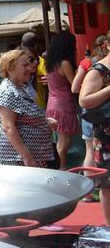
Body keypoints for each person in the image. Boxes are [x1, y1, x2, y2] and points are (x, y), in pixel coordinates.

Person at [0, 49, 54, 168]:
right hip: (18, 160)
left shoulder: (22, 87)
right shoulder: (7, 92)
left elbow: (24, 118)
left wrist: (44, 122)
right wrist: (26, 156)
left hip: (32, 157)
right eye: (25, 65)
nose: (30, 68)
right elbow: (8, 127)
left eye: (29, 64)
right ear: (10, 68)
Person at [45, 31, 79, 169]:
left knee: (62, 141)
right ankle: (63, 170)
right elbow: (74, 85)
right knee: (63, 143)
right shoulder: (64, 63)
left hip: (52, 103)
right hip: (64, 105)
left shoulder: (51, 63)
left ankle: (62, 168)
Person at [73, 35, 107, 169]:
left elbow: (74, 88)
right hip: (103, 114)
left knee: (90, 150)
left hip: (91, 113)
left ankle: (89, 186)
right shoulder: (104, 64)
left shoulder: (87, 62)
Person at [21, 31, 47, 108]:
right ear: (36, 45)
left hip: (24, 104)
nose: (34, 63)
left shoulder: (17, 58)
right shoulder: (40, 60)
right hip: (38, 103)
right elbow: (46, 77)